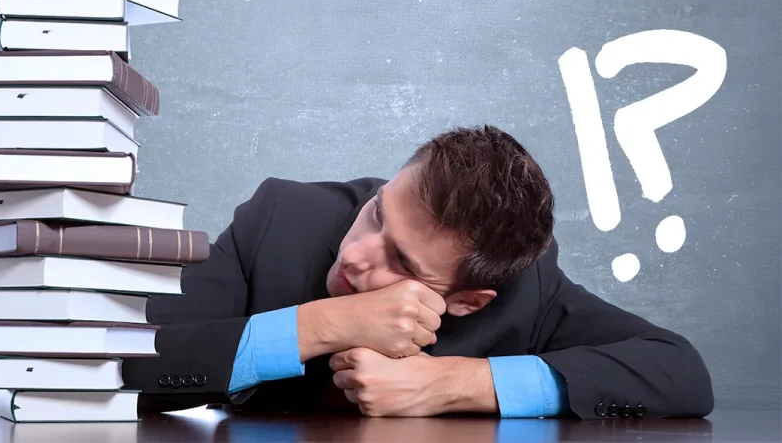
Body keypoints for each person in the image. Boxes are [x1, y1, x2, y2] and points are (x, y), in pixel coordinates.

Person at [122, 125, 714, 419]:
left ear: (469, 301)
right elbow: (126, 363)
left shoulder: (524, 292)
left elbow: (680, 372)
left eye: (402, 263)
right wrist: (317, 325)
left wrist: (452, 383)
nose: (356, 255)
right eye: (377, 214)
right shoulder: (280, 217)